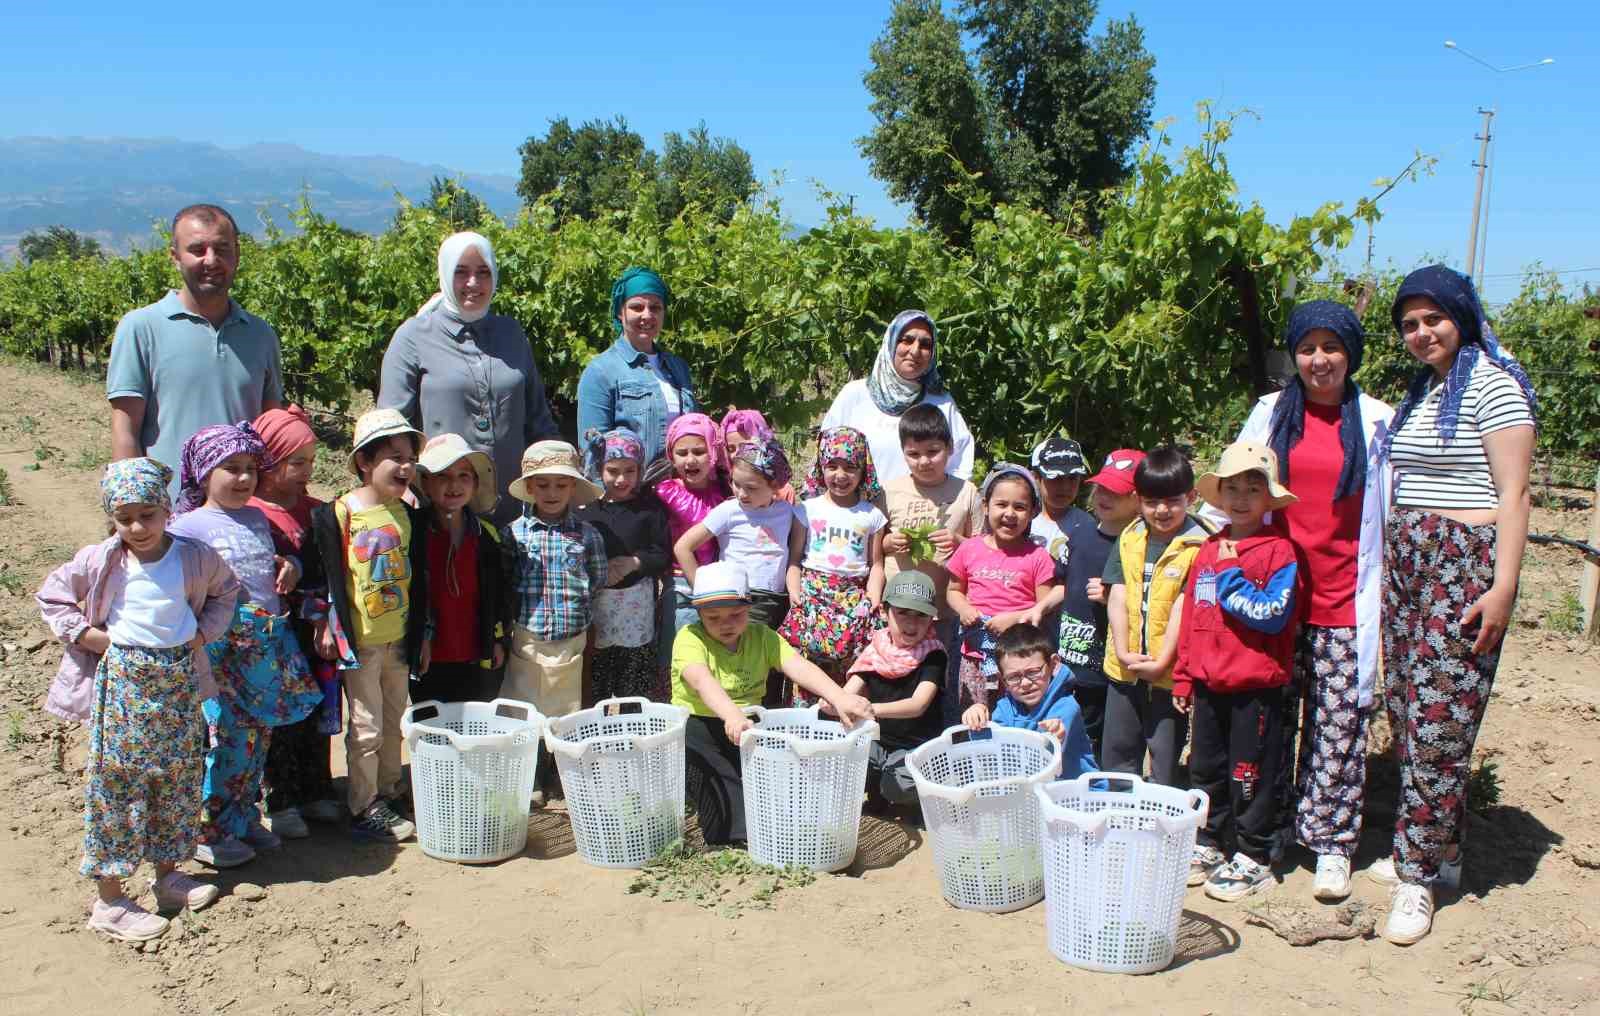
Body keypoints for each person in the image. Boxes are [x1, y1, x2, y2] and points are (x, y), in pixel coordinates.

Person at [1369, 266, 1537, 946]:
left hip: (1461, 565)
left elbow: (1516, 497)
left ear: (1461, 316)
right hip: (1412, 567)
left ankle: (1415, 879)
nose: (1420, 332)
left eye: (1432, 318)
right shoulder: (1430, 391)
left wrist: (1501, 588)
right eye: (1409, 324)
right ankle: (1445, 855)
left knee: (1441, 723)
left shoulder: (1494, 386)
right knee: (1409, 712)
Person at [1217, 300, 1395, 901]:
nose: (1319, 360)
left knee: (1338, 727)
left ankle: (1332, 843)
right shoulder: (1270, 414)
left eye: (1332, 347)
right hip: (1275, 596)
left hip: (1345, 596)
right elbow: (1235, 492)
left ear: (1352, 353)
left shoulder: (1376, 421)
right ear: (1294, 354)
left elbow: (1390, 514)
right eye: (1307, 347)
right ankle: (1269, 833)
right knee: (1269, 723)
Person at [37, 459, 239, 942]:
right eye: (123, 517)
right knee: (119, 786)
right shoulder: (101, 560)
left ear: (166, 510)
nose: (136, 527)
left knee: (177, 778)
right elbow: (53, 595)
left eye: (147, 514)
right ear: (111, 518)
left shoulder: (194, 557)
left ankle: (168, 877)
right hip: (124, 688)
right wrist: (89, 637)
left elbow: (225, 592)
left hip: (178, 684)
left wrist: (201, 635)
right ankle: (109, 900)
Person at [168, 424, 323, 867]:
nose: (243, 479)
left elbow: (268, 563)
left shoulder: (255, 517)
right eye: (230, 469)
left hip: (264, 642)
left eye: (250, 469)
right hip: (222, 649)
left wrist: (290, 564)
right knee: (226, 737)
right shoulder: (189, 526)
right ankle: (212, 830)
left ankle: (244, 816)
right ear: (202, 473)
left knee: (259, 734)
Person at [1174, 443, 1303, 902]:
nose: (1243, 497)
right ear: (1219, 494)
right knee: (1206, 768)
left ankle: (1254, 853)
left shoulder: (1279, 553)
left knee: (1250, 772)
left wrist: (1231, 572)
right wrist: (1185, 674)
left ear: (1269, 498)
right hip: (1210, 683)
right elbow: (1196, 614)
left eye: (1254, 488)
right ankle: (1210, 842)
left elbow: (1269, 613)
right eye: (1233, 488)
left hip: (1256, 686)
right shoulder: (1207, 549)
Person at [670, 561, 874, 845]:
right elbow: (702, 681)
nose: (725, 624)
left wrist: (839, 697)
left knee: (775, 792)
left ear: (750, 606)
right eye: (713, 617)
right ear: (699, 615)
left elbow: (798, 667)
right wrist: (730, 714)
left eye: (736, 614)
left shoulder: (762, 637)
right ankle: (731, 831)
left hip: (748, 725)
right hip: (699, 726)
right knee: (726, 812)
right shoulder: (689, 638)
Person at [305, 409, 430, 843]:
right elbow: (323, 574)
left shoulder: (408, 515)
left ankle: (390, 790)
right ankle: (363, 804)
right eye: (393, 456)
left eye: (410, 457)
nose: (405, 466)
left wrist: (422, 634)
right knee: (367, 726)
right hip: (360, 645)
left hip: (398, 640)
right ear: (364, 462)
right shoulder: (338, 515)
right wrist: (324, 621)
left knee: (396, 718)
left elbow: (419, 579)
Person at [379, 231, 560, 527]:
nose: (473, 283)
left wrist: (557, 471)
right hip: (438, 509)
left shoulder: (511, 334)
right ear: (445, 274)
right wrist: (398, 484)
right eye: (461, 272)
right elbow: (391, 427)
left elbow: (538, 418)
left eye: (483, 272)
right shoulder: (413, 337)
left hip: (513, 509)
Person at [107, 204, 283, 497]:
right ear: (175, 257)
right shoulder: (141, 327)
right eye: (197, 250)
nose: (211, 260)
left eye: (222, 249)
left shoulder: (261, 334)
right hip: (171, 520)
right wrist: (131, 505)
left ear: (237, 255)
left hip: (244, 515)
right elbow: (125, 430)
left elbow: (271, 425)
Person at [250, 406, 344, 838]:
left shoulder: (319, 511)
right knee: (281, 714)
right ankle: (281, 797)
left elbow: (332, 572)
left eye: (311, 461)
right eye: (298, 462)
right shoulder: (250, 515)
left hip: (314, 631)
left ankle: (316, 786)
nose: (308, 470)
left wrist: (326, 619)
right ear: (268, 462)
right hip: (272, 635)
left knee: (319, 706)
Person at [504, 439, 608, 803]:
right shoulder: (514, 534)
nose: (551, 492)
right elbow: (508, 582)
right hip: (528, 635)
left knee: (566, 711)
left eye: (561, 484)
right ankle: (529, 776)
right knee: (527, 709)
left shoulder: (587, 536)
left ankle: (561, 775)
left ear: (573, 488)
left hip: (570, 637)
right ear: (529, 488)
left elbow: (596, 579)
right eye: (543, 484)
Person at [1101, 446, 1212, 788]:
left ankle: (1159, 825)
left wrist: (1164, 661)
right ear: (1138, 499)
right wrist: (1121, 650)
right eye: (1151, 501)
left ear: (1191, 496)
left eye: (1173, 500)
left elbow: (1186, 605)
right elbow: (1116, 593)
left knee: (1164, 753)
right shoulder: (1130, 536)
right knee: (1118, 753)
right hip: (1124, 666)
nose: (1162, 510)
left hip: (1170, 674)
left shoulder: (1201, 545)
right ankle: (1117, 820)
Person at [879, 403, 979, 723]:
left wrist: (958, 543)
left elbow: (982, 550)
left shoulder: (966, 492)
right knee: (897, 675)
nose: (924, 461)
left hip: (944, 611)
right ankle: (896, 734)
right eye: (914, 454)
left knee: (942, 681)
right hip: (899, 609)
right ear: (903, 453)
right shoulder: (890, 492)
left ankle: (938, 734)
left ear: (949, 448)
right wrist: (887, 542)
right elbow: (874, 549)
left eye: (933, 451)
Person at [1048, 448, 1146, 763]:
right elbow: (1061, 583)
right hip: (1068, 660)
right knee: (1068, 731)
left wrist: (1112, 598)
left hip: (1108, 665)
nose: (1104, 497)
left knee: (1108, 739)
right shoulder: (1081, 532)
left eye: (1117, 492)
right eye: (1101, 487)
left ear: (1138, 498)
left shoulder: (1139, 544)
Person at [779, 427, 888, 700]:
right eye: (832, 466)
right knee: (806, 673)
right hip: (812, 598)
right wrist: (796, 595)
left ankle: (847, 729)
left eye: (850, 467)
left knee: (852, 672)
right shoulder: (807, 508)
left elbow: (876, 564)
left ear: (863, 470)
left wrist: (872, 599)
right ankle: (804, 727)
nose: (840, 475)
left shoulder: (872, 515)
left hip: (854, 601)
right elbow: (794, 560)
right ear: (821, 466)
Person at [946, 464, 1056, 716]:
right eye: (1001, 504)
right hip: (974, 654)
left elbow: (1044, 607)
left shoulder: (1037, 557)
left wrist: (1015, 619)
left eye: (1020, 507)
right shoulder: (969, 549)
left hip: (1020, 658)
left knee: (1017, 714)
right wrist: (964, 608)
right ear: (985, 506)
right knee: (974, 713)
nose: (1010, 513)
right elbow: (953, 590)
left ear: (1032, 513)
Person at [410, 433, 510, 705]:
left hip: (474, 651)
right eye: (443, 475)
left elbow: (498, 593)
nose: (454, 485)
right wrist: (416, 641)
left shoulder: (486, 535)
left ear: (476, 484)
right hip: (428, 654)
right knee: (432, 728)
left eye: (464, 476)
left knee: (474, 728)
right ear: (426, 483)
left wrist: (497, 640)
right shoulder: (412, 532)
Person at [838, 571, 946, 820]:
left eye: (921, 615)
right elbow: (849, 691)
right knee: (846, 762)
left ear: (932, 619)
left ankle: (914, 796)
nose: (911, 623)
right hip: (876, 742)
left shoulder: (933, 655)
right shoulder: (876, 649)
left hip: (914, 746)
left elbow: (917, 705)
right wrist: (835, 702)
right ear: (885, 612)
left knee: (899, 784)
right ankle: (878, 792)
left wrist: (870, 710)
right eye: (902, 613)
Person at [576, 427, 673, 702]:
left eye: (629, 471)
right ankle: (598, 730)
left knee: (632, 677)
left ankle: (633, 731)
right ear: (600, 468)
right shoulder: (588, 510)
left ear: (639, 470)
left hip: (636, 609)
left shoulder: (649, 509)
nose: (621, 479)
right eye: (613, 470)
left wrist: (633, 562)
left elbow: (662, 554)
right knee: (597, 675)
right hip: (597, 607)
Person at [821, 309, 974, 481]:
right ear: (891, 342)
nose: (915, 351)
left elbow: (961, 465)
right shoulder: (855, 395)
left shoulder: (941, 402)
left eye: (925, 344)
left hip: (925, 507)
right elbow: (826, 455)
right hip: (862, 506)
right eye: (907, 340)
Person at [675, 432, 799, 640]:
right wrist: (701, 588)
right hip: (738, 597)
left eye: (751, 488)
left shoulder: (787, 511)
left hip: (776, 599)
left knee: (766, 660)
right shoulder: (729, 510)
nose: (741, 493)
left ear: (775, 486)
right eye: (736, 483)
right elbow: (683, 547)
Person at [576, 266, 699, 467]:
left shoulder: (678, 368)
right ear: (619, 312)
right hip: (628, 494)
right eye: (637, 307)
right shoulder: (600, 371)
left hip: (677, 493)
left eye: (656, 307)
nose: (647, 315)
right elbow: (592, 451)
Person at [960, 624, 1097, 780]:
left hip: (1072, 792)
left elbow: (1042, 764)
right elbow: (992, 755)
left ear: (1053, 665)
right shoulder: (1005, 709)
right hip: (1028, 789)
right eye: (1013, 677)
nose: (1025, 683)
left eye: (1033, 672)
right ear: (1002, 679)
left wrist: (1054, 737)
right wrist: (978, 723)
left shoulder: (1066, 707)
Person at [654, 413, 730, 638]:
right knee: (679, 643)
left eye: (699, 452)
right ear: (671, 456)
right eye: (682, 453)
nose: (690, 460)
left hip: (716, 578)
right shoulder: (665, 492)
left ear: (713, 453)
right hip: (678, 582)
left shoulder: (724, 492)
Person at [1028, 436, 1092, 644]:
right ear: (1036, 478)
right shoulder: (1024, 521)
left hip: (1066, 623)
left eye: (1072, 479)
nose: (1064, 487)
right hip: (1022, 613)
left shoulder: (1086, 525)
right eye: (1055, 479)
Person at [720, 408, 795, 502]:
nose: (737, 454)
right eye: (731, 449)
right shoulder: (723, 490)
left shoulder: (783, 492)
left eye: (745, 446)